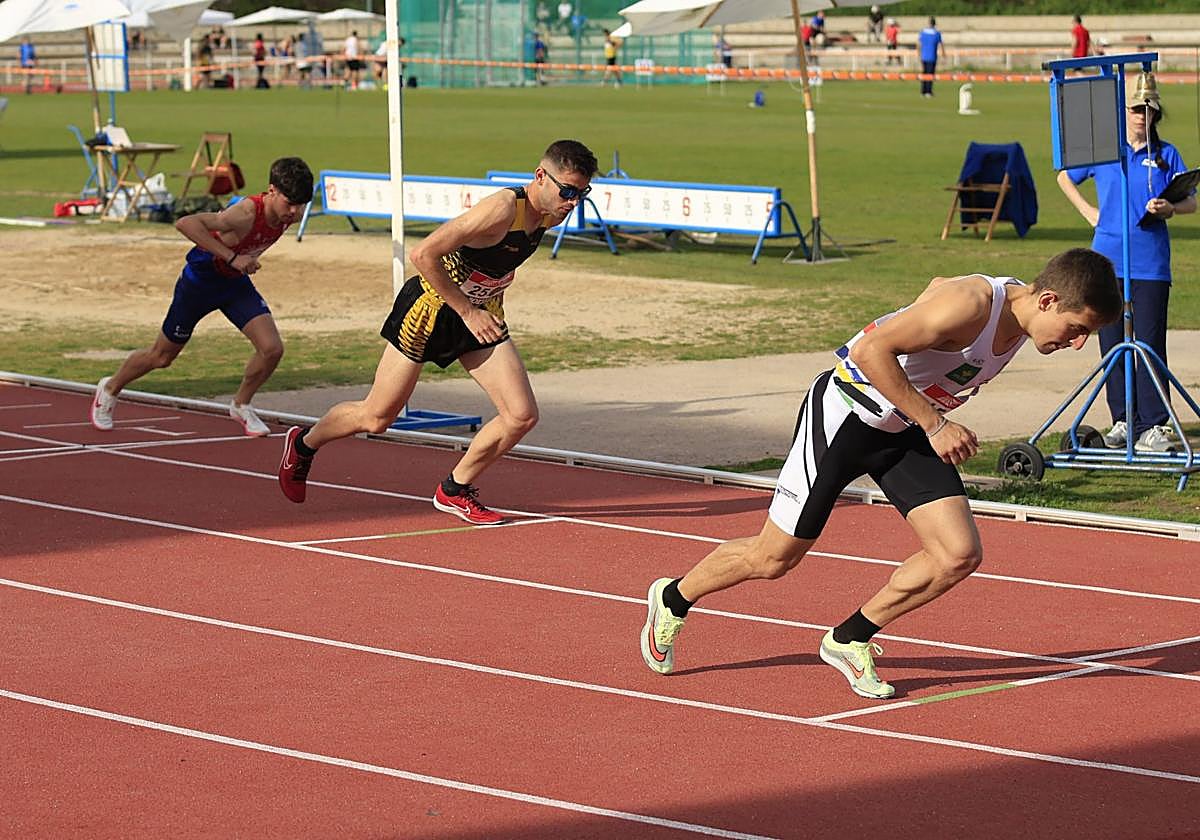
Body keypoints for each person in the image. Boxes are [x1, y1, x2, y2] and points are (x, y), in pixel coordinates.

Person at [639, 248, 1120, 699]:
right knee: (774, 559)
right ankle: (674, 596)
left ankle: (849, 639)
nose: (1078, 344)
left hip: (905, 430)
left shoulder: (1016, 312)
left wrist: (927, 409)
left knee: (957, 554)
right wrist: (935, 422)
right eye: (1077, 328)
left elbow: (934, 287)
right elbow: (872, 351)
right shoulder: (972, 304)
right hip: (847, 418)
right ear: (1049, 299)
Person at [277, 140, 599, 524]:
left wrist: (480, 302)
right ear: (540, 176)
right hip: (430, 310)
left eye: (582, 193)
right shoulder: (500, 210)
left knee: (521, 415)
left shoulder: (552, 213)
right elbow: (423, 254)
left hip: (480, 313)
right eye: (567, 191)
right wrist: (465, 309)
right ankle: (304, 443)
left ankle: (454, 489)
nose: (573, 201)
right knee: (377, 418)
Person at [90, 158, 315, 438]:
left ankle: (241, 404)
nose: (294, 212)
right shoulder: (244, 213)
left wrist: (240, 262)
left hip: (234, 286)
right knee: (161, 357)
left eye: (301, 205)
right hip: (199, 283)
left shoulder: (287, 214)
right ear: (271, 190)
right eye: (289, 203)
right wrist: (233, 257)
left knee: (272, 349)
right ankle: (110, 387)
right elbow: (186, 223)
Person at [1056, 72, 1196, 453]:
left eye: (1149, 109)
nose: (1142, 115)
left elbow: (1191, 199)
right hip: (1106, 261)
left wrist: (1171, 207)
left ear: (1156, 113)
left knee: (1149, 342)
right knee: (1113, 342)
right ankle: (1123, 420)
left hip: (1150, 261)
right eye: (1136, 108)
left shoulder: (1166, 154)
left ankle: (1153, 424)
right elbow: (1065, 176)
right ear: (1124, 111)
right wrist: (1088, 211)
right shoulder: (1107, 151)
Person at [917, 16, 945, 97]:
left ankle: (923, 91)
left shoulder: (923, 32)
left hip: (924, 56)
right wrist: (943, 54)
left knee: (924, 73)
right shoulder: (936, 33)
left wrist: (919, 54)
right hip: (932, 56)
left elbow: (919, 44)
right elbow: (941, 44)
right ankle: (928, 91)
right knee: (930, 74)